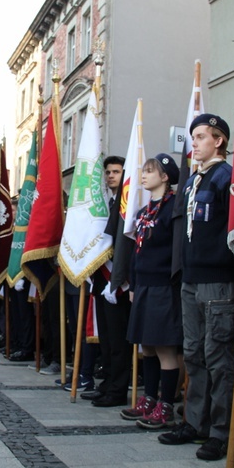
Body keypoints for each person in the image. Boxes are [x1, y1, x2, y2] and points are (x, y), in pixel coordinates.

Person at [159, 114, 234, 463]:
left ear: (218, 141)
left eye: (201, 136)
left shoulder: (226, 178)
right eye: (193, 136)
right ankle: (195, 421)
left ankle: (221, 432)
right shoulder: (193, 180)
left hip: (218, 280)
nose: (194, 143)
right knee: (193, 354)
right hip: (191, 279)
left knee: (218, 357)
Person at [122, 154, 181, 429]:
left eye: (150, 171)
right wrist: (133, 285)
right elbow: (137, 252)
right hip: (144, 285)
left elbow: (175, 251)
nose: (143, 175)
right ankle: (148, 399)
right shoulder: (144, 212)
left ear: (165, 177)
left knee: (164, 347)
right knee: (147, 346)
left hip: (163, 286)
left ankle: (166, 404)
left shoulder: (173, 207)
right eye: (143, 171)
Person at [82, 156, 133, 407]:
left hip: (118, 280)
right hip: (101, 277)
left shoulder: (127, 204)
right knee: (106, 337)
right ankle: (108, 382)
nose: (111, 176)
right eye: (108, 172)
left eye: (116, 171)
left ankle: (118, 389)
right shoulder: (104, 203)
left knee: (118, 338)